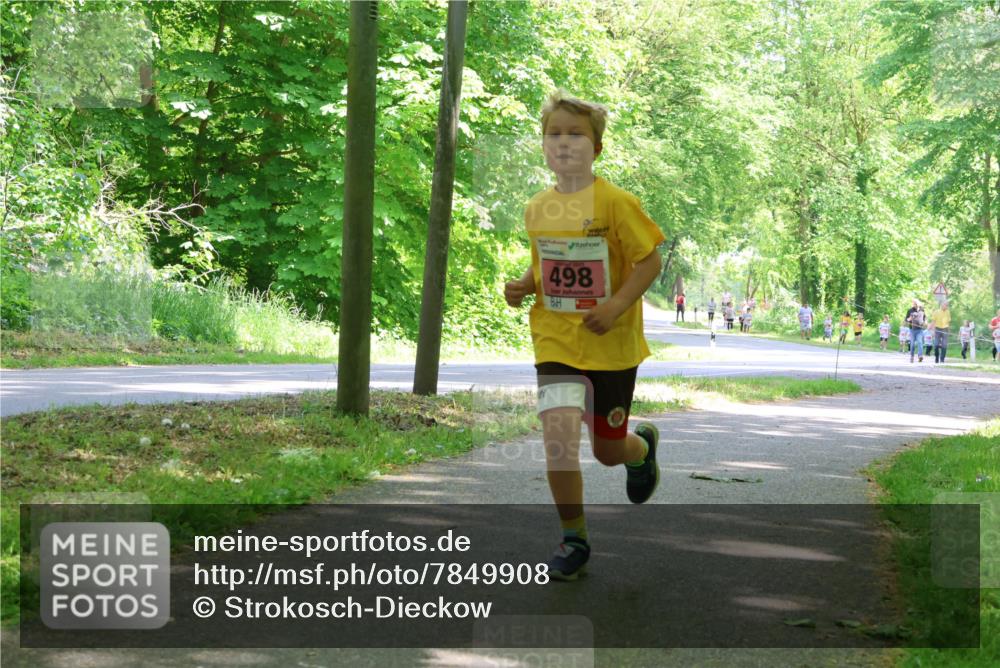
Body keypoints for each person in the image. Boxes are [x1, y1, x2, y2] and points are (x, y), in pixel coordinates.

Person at [504, 91, 665, 582]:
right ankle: (573, 538)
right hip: (555, 340)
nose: (564, 142)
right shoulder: (537, 208)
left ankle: (640, 450)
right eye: (554, 133)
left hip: (610, 347)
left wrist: (615, 307)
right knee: (558, 441)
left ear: (596, 148)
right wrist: (524, 285)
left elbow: (649, 262)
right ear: (544, 146)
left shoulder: (616, 204)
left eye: (576, 134)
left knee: (606, 451)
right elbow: (546, 263)